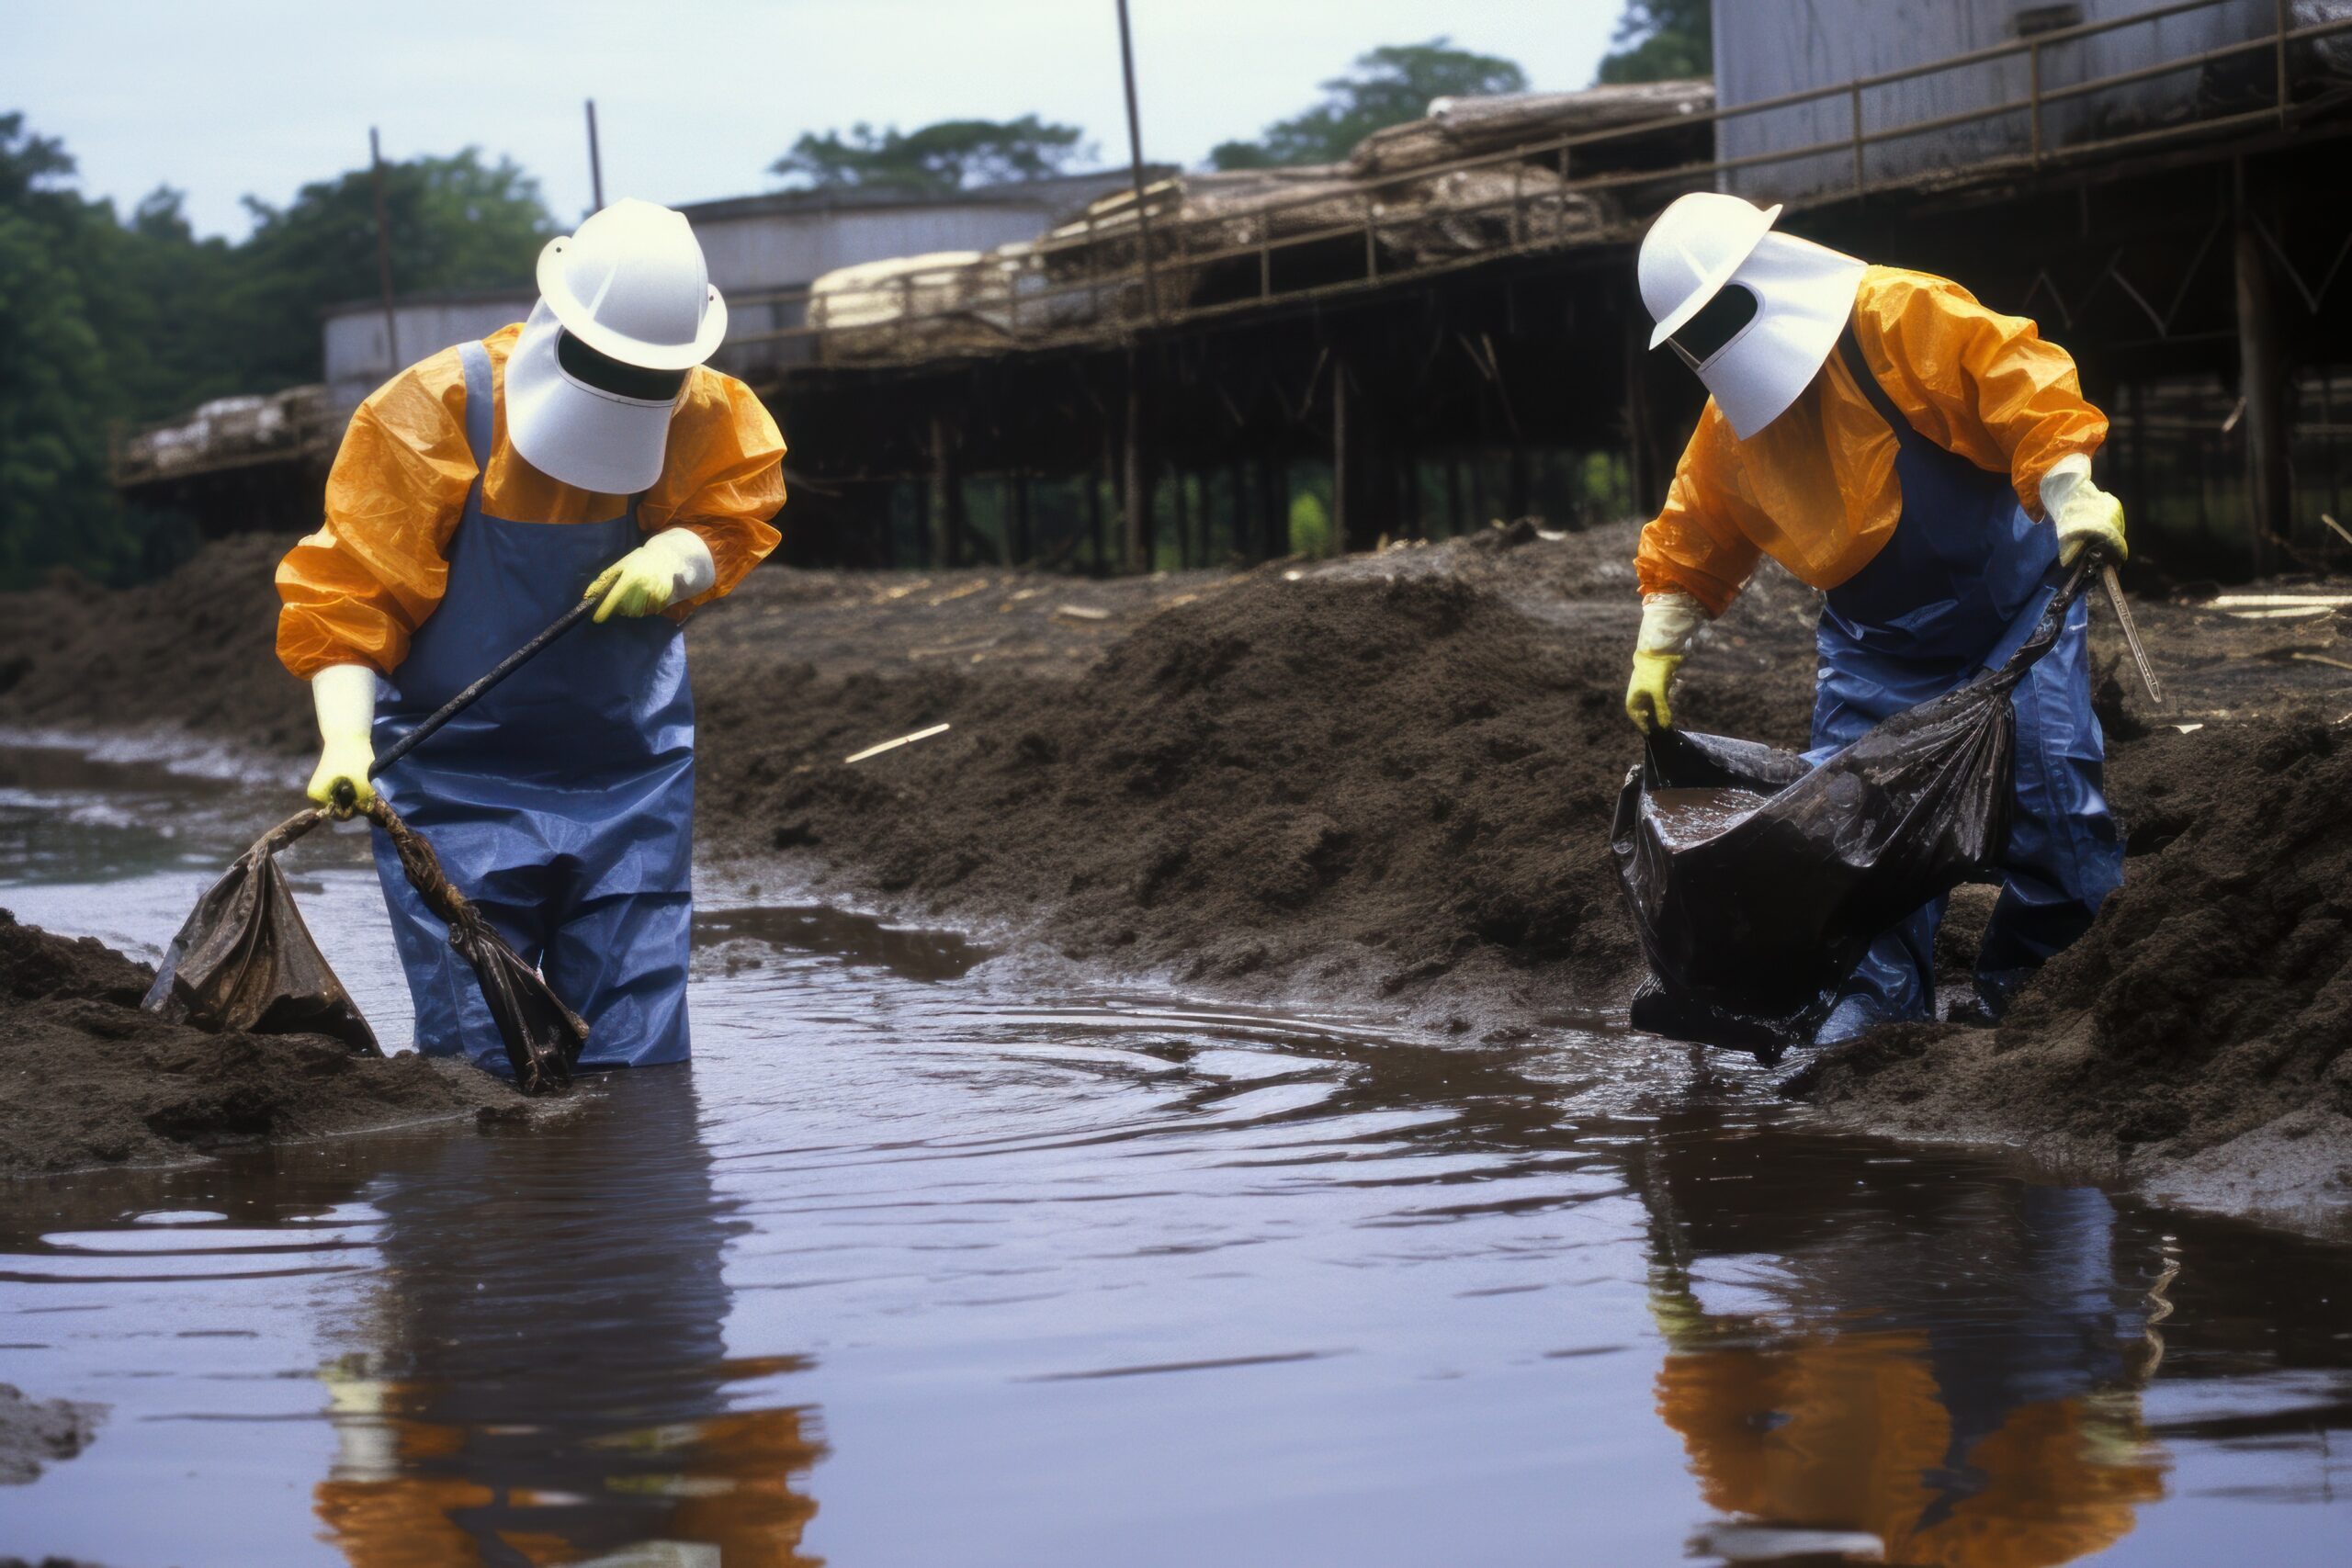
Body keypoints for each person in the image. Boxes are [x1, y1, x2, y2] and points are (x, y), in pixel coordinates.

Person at [276, 197, 785, 1071]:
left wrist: (680, 552)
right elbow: (353, 593)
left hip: (628, 779)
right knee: (482, 1063)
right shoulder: (435, 408)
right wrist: (346, 740)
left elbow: (730, 515)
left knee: (639, 1054)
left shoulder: (706, 413)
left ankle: (631, 1196)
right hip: (453, 788)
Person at [1623, 191, 2125, 1042]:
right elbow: (1695, 528)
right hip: (1875, 649)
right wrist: (1657, 645)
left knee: (2052, 805)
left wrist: (2071, 491)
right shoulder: (1732, 426)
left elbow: (2018, 384)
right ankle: (1876, 1012)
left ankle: (2039, 993)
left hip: (2016, 617)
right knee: (1851, 841)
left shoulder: (1899, 317)